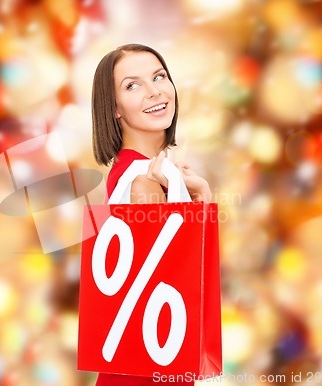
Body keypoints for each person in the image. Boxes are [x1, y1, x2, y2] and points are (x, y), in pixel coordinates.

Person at [91, 44, 212, 386]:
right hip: (148, 368)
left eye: (159, 77)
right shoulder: (144, 181)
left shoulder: (130, 172)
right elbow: (168, 291)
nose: (154, 91)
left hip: (149, 361)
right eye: (133, 85)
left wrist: (199, 194)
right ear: (113, 108)